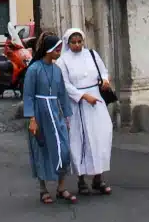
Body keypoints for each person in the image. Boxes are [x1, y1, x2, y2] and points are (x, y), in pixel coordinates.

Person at [59, 27, 113, 197]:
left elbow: (103, 70)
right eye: (73, 42)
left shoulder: (91, 54)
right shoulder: (63, 61)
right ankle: (81, 179)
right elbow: (65, 84)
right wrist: (82, 96)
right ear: (68, 43)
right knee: (81, 140)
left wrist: (105, 80)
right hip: (79, 104)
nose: (77, 45)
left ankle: (99, 177)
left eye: (79, 41)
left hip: (97, 100)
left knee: (101, 136)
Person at [23, 33, 75, 205]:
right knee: (42, 149)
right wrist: (31, 118)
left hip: (56, 113)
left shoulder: (57, 70)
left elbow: (63, 95)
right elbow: (28, 95)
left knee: (64, 149)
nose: (59, 52)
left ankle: (61, 187)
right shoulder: (34, 69)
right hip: (39, 113)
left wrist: (67, 116)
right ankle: (43, 189)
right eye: (57, 49)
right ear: (49, 50)